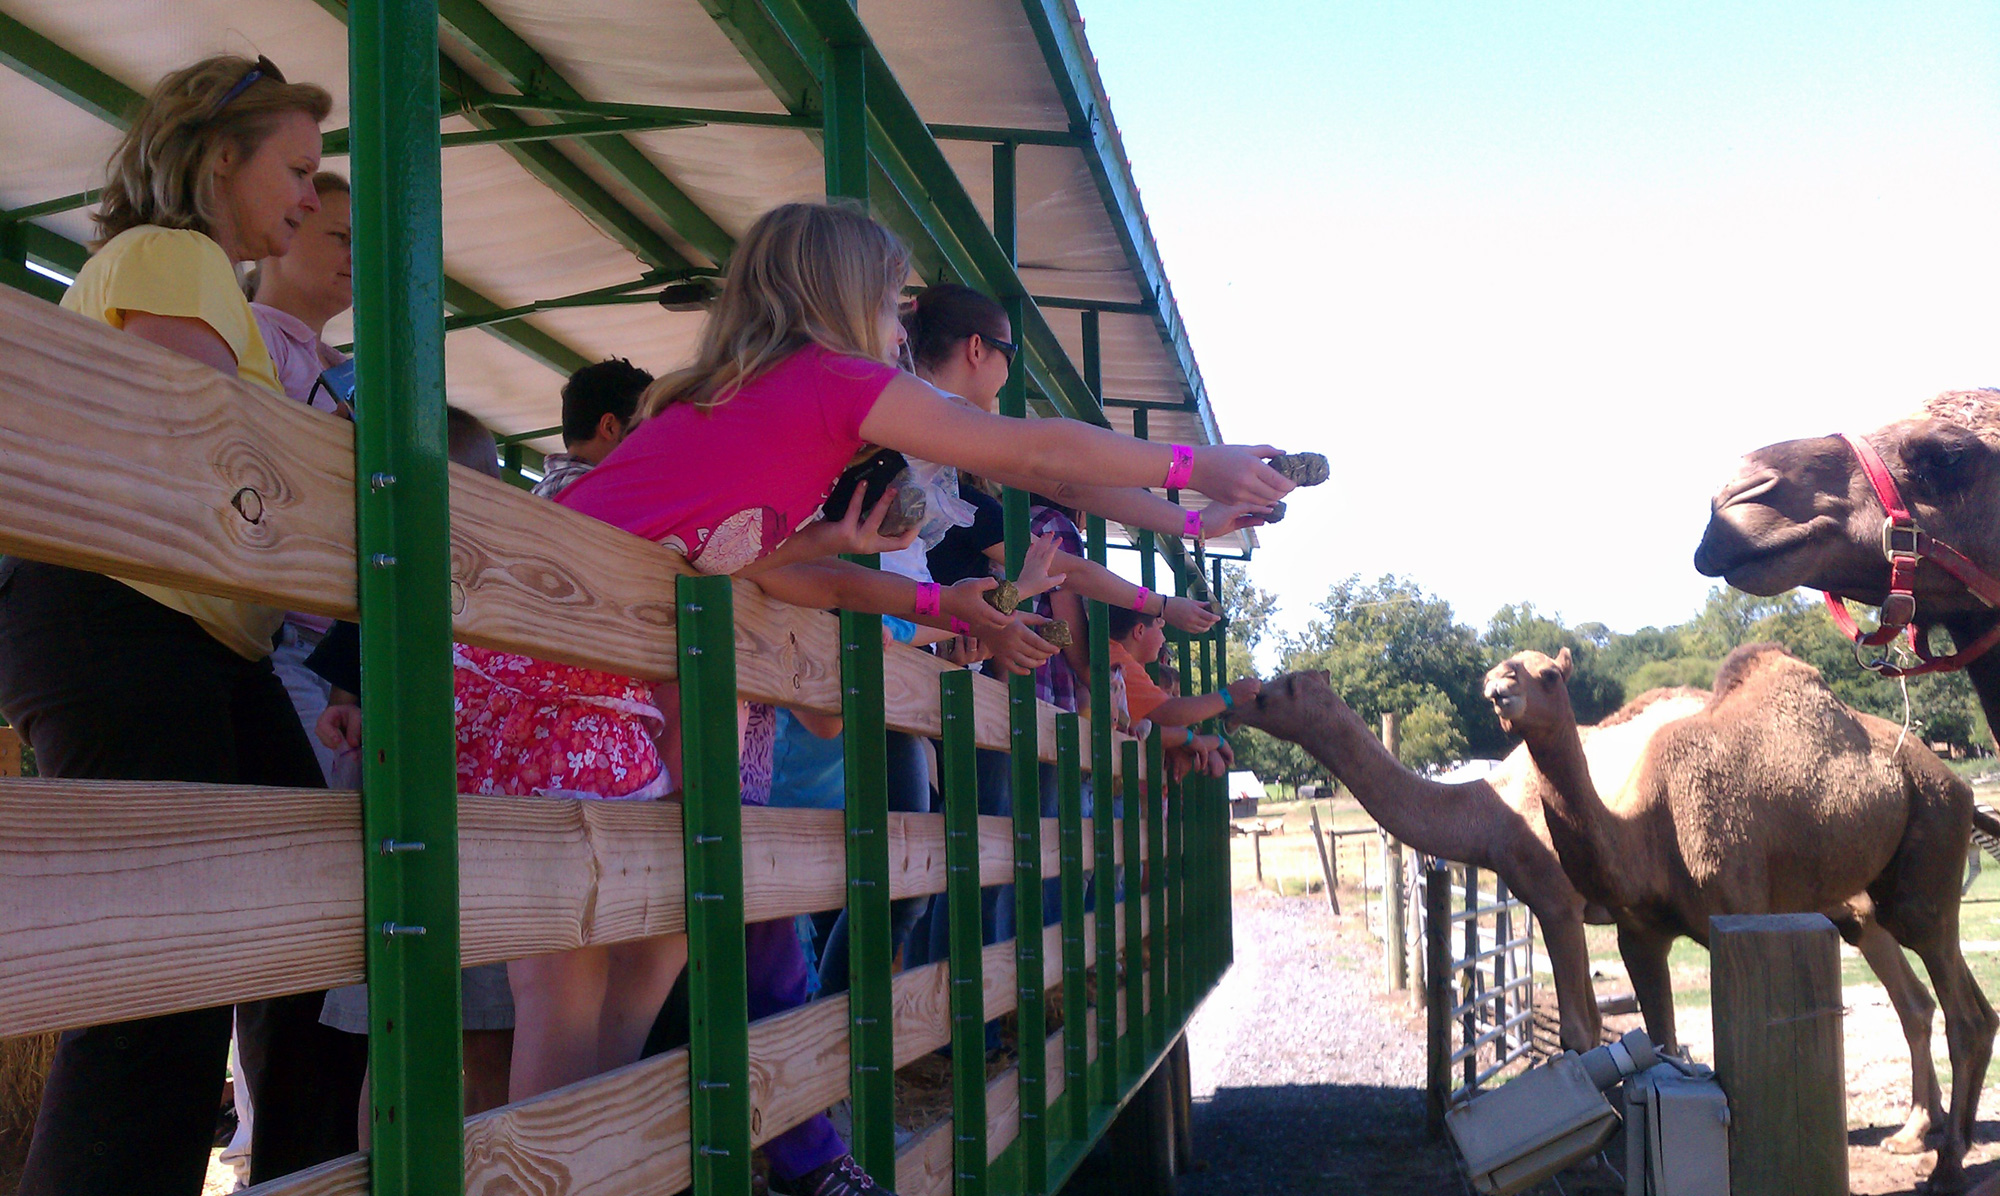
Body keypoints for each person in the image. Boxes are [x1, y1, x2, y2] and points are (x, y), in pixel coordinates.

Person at [461, 201, 1290, 1196]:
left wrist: (943, 595)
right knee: (570, 984)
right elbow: (1025, 452)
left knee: (647, 959)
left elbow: (776, 570)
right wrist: (1195, 467)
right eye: (892, 297)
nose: (903, 320)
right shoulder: (822, 383)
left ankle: (580, 1169)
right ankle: (550, 1174)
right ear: (841, 296)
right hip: (547, 681)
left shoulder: (742, 404)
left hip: (594, 684)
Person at [0, 54, 366, 1196]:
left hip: (186, 634)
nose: (311, 198)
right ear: (220, 159)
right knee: (160, 985)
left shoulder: (189, 270)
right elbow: (200, 451)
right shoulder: (175, 255)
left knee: (291, 932)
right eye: (298, 170)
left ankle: (293, 1170)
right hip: (125, 619)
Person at [308, 408, 518, 1139]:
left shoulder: (505, 586)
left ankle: (484, 1178)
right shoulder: (384, 572)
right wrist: (348, 706)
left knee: (489, 1039)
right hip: (403, 833)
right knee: (399, 1038)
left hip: (484, 836)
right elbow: (344, 686)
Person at [533, 357, 654, 498]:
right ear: (609, 427)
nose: (650, 444)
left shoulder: (547, 490)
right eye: (644, 430)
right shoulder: (597, 492)